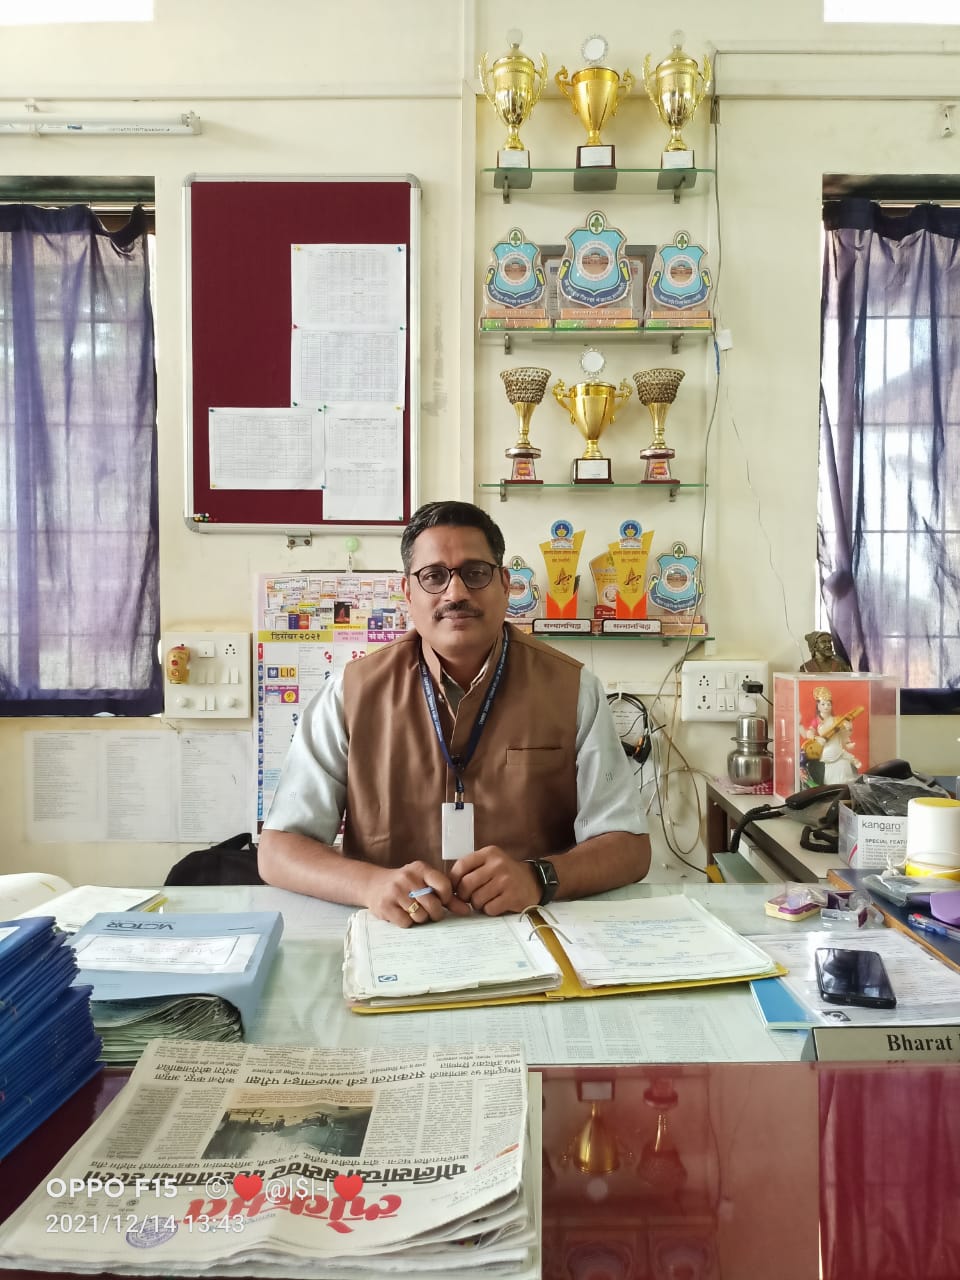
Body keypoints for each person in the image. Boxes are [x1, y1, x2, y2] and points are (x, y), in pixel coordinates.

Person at [258, 500, 651, 926]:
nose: (456, 593)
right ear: (408, 593)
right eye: (434, 576)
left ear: (505, 584)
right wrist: (369, 885)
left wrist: (540, 877)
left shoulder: (573, 689)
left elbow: (628, 846)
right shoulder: (350, 693)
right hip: (392, 938)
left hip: (533, 933)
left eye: (475, 573)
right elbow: (279, 850)